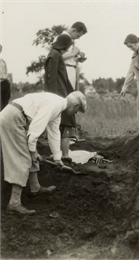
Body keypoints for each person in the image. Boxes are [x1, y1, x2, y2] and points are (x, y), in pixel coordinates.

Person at [0, 91, 87, 215]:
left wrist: (58, 159)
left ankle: (35, 187)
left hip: (17, 116)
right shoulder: (55, 104)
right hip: (14, 118)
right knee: (23, 158)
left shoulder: (58, 107)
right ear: (75, 106)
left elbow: (54, 133)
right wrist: (33, 151)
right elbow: (35, 128)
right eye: (77, 111)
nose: (76, 113)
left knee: (31, 153)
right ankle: (14, 203)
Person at [45, 34, 79, 163]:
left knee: (61, 123)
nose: (67, 50)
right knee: (65, 123)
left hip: (62, 93)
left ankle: (60, 154)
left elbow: (63, 78)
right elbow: (51, 77)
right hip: (58, 95)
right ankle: (63, 155)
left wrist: (71, 92)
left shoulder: (56, 54)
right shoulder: (54, 55)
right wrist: (54, 97)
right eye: (67, 47)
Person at [54, 21, 88, 90]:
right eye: (78, 35)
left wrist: (77, 59)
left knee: (70, 95)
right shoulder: (61, 38)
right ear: (74, 30)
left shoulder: (69, 40)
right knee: (66, 96)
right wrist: (73, 54)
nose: (78, 38)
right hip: (65, 70)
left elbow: (67, 57)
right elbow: (57, 58)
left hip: (71, 70)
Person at [0, 44, 11, 111]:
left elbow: (6, 72)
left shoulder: (3, 62)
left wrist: (7, 81)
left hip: (5, 83)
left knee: (5, 102)